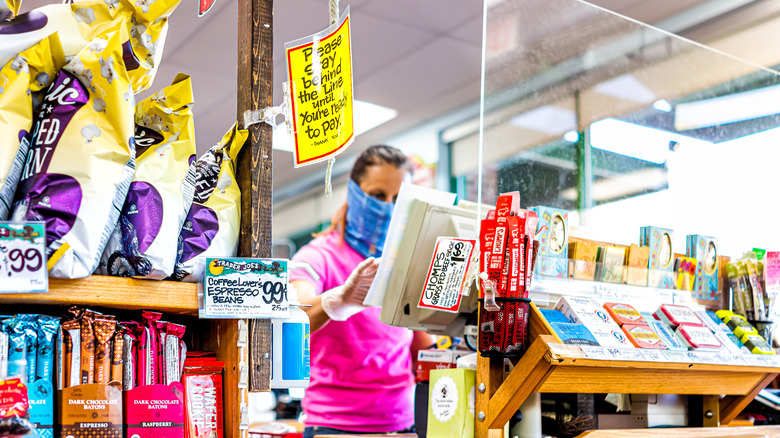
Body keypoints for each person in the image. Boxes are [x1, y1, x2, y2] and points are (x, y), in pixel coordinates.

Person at [289, 145, 433, 438]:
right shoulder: (318, 256)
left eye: (397, 199)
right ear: (354, 192)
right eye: (377, 196)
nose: (387, 206)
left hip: (403, 424)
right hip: (335, 426)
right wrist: (337, 300)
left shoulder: (402, 261)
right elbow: (295, 317)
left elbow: (421, 348)